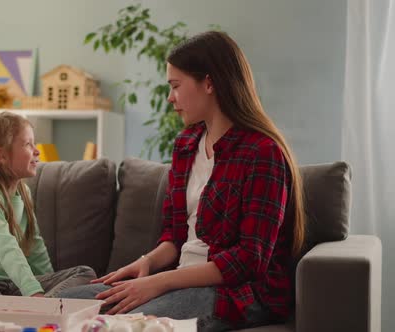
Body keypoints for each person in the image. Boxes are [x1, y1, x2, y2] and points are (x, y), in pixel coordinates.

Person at [58, 31, 306, 331]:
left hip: (236, 294)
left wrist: (159, 283)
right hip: (180, 281)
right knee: (62, 305)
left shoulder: (263, 153)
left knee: (119, 324)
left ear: (210, 83)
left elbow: (248, 261)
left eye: (176, 86)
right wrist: (147, 263)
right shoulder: (187, 144)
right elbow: (175, 237)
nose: (170, 97)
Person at [0, 112, 96, 299]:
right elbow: (6, 247)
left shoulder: (23, 193)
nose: (36, 151)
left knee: (85, 273)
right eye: (28, 144)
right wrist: (33, 291)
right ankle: (38, 308)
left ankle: (39, 307)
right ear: (1, 155)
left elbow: (36, 248)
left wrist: (44, 283)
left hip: (9, 285)